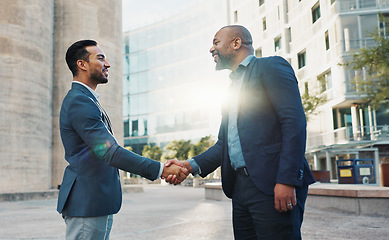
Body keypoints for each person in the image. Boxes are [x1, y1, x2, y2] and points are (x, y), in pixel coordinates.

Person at [167, 25, 315, 239]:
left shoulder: (271, 66)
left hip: (273, 183)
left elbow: (294, 122)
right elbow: (224, 144)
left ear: (236, 43)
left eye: (216, 42)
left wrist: (287, 180)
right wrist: (189, 166)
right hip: (241, 188)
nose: (211, 49)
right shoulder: (230, 91)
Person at [57, 40, 188, 240]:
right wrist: (160, 169)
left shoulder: (87, 99)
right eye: (100, 58)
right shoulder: (79, 101)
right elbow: (109, 151)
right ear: (82, 64)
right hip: (87, 202)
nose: (107, 64)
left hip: (96, 200)